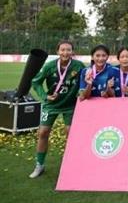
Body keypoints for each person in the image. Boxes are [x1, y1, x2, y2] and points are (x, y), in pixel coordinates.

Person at [29, 40, 86, 178]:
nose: (65, 52)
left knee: (70, 134)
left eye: (68, 50)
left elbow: (85, 81)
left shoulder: (79, 66)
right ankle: (39, 164)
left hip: (70, 105)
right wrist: (45, 96)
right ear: (57, 52)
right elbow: (35, 82)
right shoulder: (49, 66)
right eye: (62, 50)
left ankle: (72, 163)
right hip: (51, 105)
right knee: (43, 132)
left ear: (73, 52)